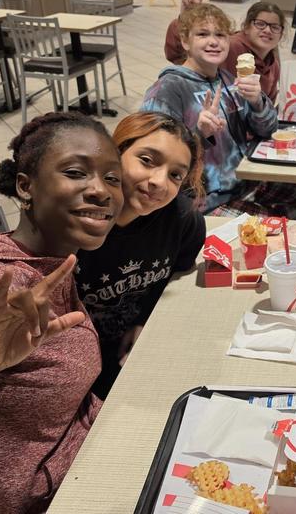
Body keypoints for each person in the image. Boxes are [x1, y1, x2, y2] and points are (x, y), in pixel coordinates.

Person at [0, 112, 124, 513]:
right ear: (25, 186)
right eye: (75, 172)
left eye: (112, 178)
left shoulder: (53, 258)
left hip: (88, 460)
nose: (100, 190)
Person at [76, 112, 206, 400]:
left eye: (175, 175)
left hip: (140, 351)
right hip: (76, 365)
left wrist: (143, 322)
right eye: (147, 160)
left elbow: (171, 283)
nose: (159, 181)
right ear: (114, 153)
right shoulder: (74, 223)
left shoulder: (183, 221)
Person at [142, 3, 278, 213]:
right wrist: (199, 135)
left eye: (220, 35)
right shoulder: (167, 90)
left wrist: (257, 102)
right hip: (204, 201)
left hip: (244, 183)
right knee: (280, 224)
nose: (213, 42)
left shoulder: (229, 80)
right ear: (185, 41)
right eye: (203, 34)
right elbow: (154, 157)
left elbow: (267, 130)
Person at [164, 0, 285, 102]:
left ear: (281, 34)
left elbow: (268, 103)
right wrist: (187, 18)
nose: (267, 30)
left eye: (275, 27)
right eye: (260, 24)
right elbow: (177, 54)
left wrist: (259, 105)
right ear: (246, 27)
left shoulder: (273, 64)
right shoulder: (230, 47)